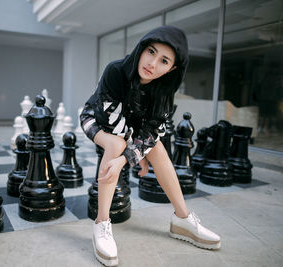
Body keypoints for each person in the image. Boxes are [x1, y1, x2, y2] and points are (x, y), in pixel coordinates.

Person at [80, 26, 221, 266]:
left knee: (158, 149)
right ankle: (101, 223)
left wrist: (131, 157)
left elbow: (155, 131)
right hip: (97, 118)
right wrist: (134, 152)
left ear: (172, 68)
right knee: (115, 144)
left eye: (163, 60)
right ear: (142, 49)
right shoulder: (115, 71)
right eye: (150, 51)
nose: (152, 63)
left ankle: (182, 219)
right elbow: (111, 121)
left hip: (131, 128)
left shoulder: (164, 91)